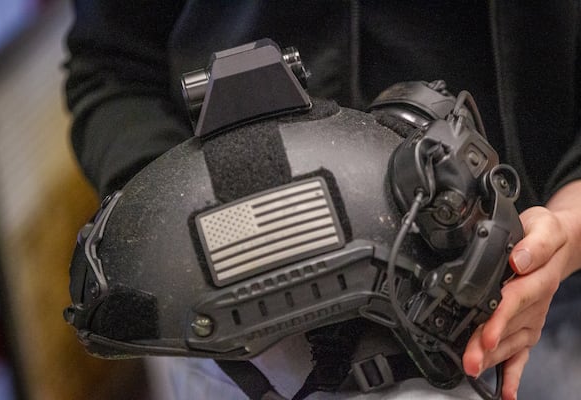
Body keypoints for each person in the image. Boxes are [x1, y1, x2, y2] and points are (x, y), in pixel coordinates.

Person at [63, 1, 581, 399]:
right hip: (232, 337)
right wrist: (181, 234)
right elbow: (111, 71)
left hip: (522, 302)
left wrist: (565, 231)